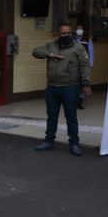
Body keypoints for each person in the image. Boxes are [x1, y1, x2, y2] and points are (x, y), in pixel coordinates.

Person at [32, 24, 92, 156]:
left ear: (72, 34)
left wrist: (86, 85)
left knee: (71, 117)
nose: (66, 35)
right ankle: (49, 142)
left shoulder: (78, 48)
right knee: (51, 117)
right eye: (63, 33)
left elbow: (85, 66)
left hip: (70, 88)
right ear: (59, 34)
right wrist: (50, 54)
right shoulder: (51, 46)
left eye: (69, 33)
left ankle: (74, 144)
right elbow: (35, 52)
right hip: (52, 88)